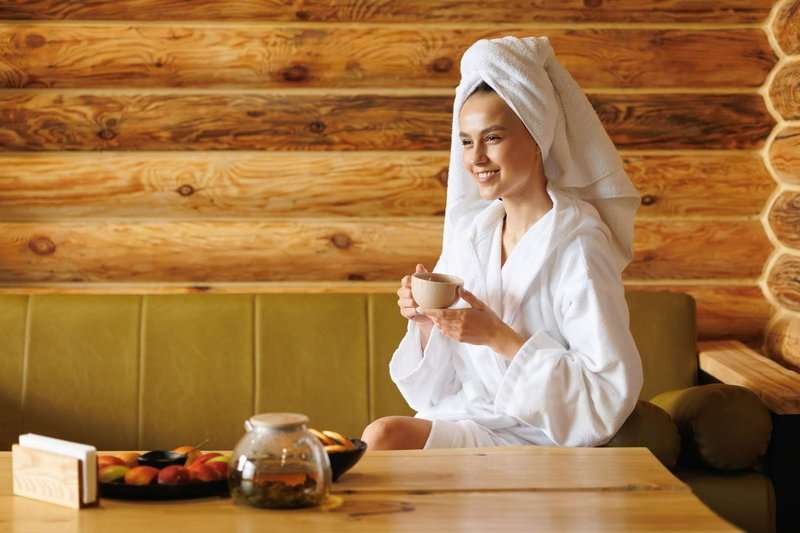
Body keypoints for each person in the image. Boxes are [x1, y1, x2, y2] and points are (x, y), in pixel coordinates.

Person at [361, 36, 643, 450]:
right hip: (473, 415)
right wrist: (425, 321)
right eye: (466, 141)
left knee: (384, 438)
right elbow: (431, 392)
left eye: (492, 138)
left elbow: (604, 396)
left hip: (542, 432)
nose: (475, 159)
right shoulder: (473, 236)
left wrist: (498, 337)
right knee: (382, 436)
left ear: (537, 138)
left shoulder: (580, 246)